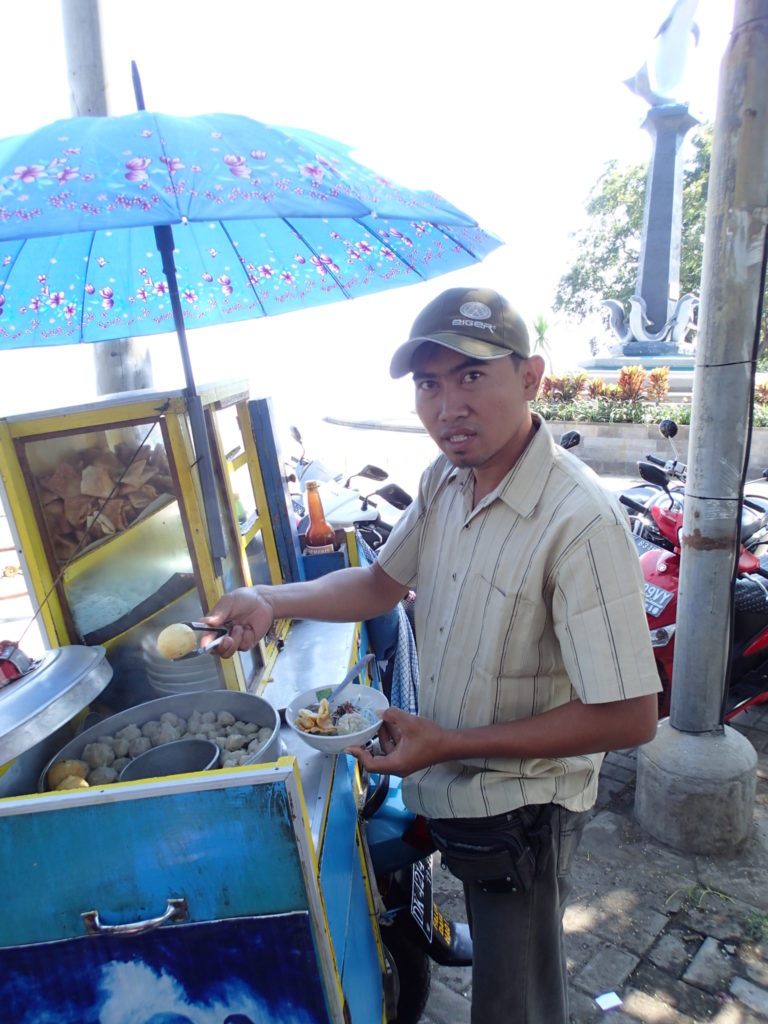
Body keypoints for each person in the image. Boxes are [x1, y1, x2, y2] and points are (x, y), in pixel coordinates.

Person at [203, 286, 661, 1024]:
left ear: (531, 376)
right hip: (457, 791)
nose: (449, 406)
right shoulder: (445, 480)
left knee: (516, 1004)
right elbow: (384, 582)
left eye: (472, 376)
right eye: (429, 384)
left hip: (525, 814)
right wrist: (270, 599)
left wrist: (452, 741)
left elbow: (632, 715)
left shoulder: (580, 521)